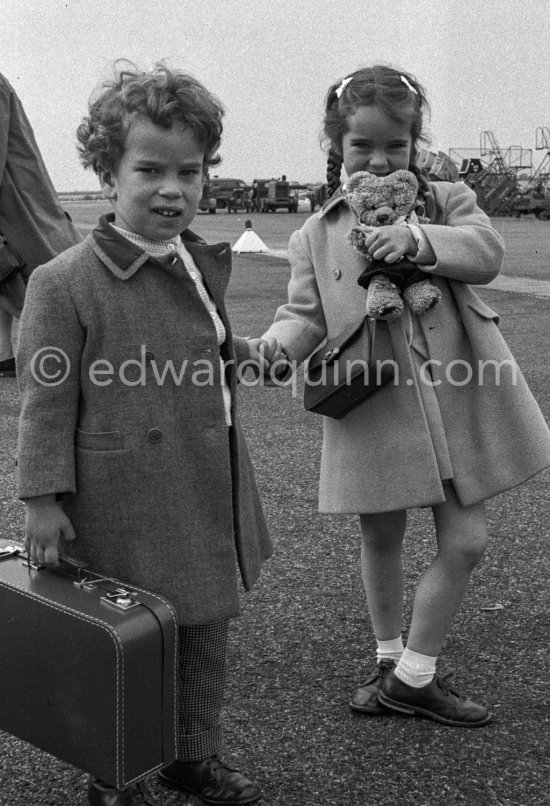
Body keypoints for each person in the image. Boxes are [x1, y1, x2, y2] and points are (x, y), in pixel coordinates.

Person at [260, 65, 550, 728]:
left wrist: (419, 239)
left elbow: (486, 252)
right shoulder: (315, 232)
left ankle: (415, 673)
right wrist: (269, 351)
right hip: (376, 404)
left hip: (458, 397)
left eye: (396, 143)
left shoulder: (446, 200)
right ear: (338, 145)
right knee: (382, 535)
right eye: (363, 145)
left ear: (416, 141)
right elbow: (303, 315)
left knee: (468, 540)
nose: (380, 157)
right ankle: (392, 660)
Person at [17, 63, 274, 806]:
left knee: (204, 627)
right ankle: (115, 770)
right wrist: (41, 497)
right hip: (121, 492)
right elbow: (45, 400)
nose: (173, 189)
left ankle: (192, 755)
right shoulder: (64, 282)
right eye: (149, 169)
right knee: (124, 642)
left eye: (189, 172)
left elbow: (207, 344)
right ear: (107, 173)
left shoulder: (197, 258)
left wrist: (252, 355)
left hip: (206, 478)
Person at [0, 73, 80, 377]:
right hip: (20, 196)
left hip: (16, 197)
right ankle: (4, 354)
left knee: (27, 275)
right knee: (9, 272)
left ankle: (70, 347)